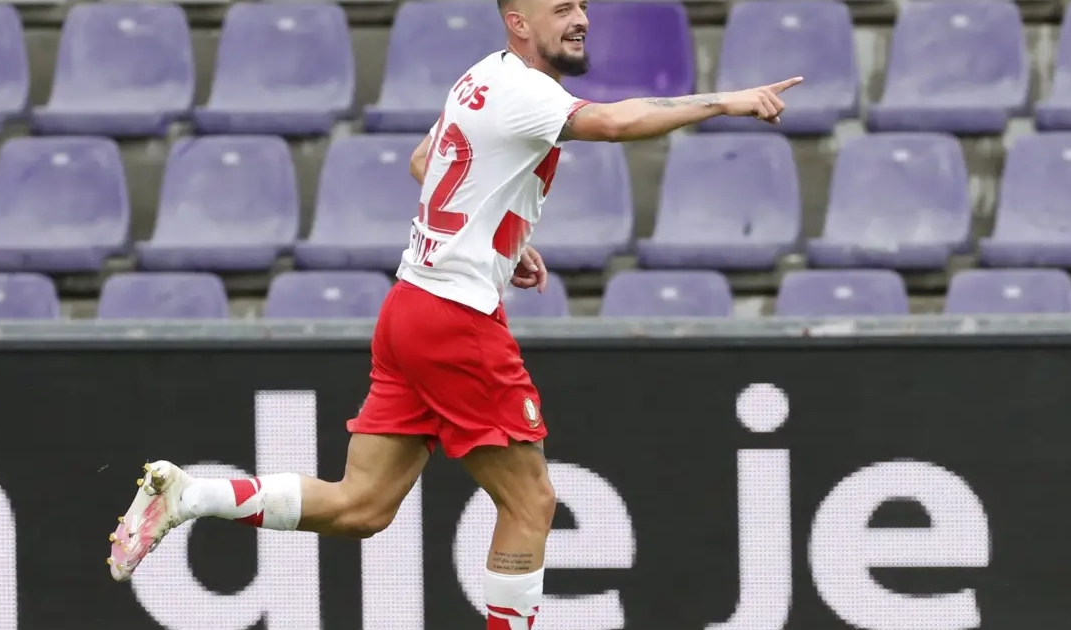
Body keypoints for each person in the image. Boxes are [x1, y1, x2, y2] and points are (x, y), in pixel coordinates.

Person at [106, 0, 802, 626]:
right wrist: (727, 100)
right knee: (531, 503)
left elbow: (423, 161)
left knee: (362, 506)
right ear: (519, 23)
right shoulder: (528, 91)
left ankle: (190, 497)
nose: (582, 19)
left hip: (410, 305)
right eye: (563, 8)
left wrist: (504, 238)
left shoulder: (480, 77)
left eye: (583, 6)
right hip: (456, 319)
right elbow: (617, 122)